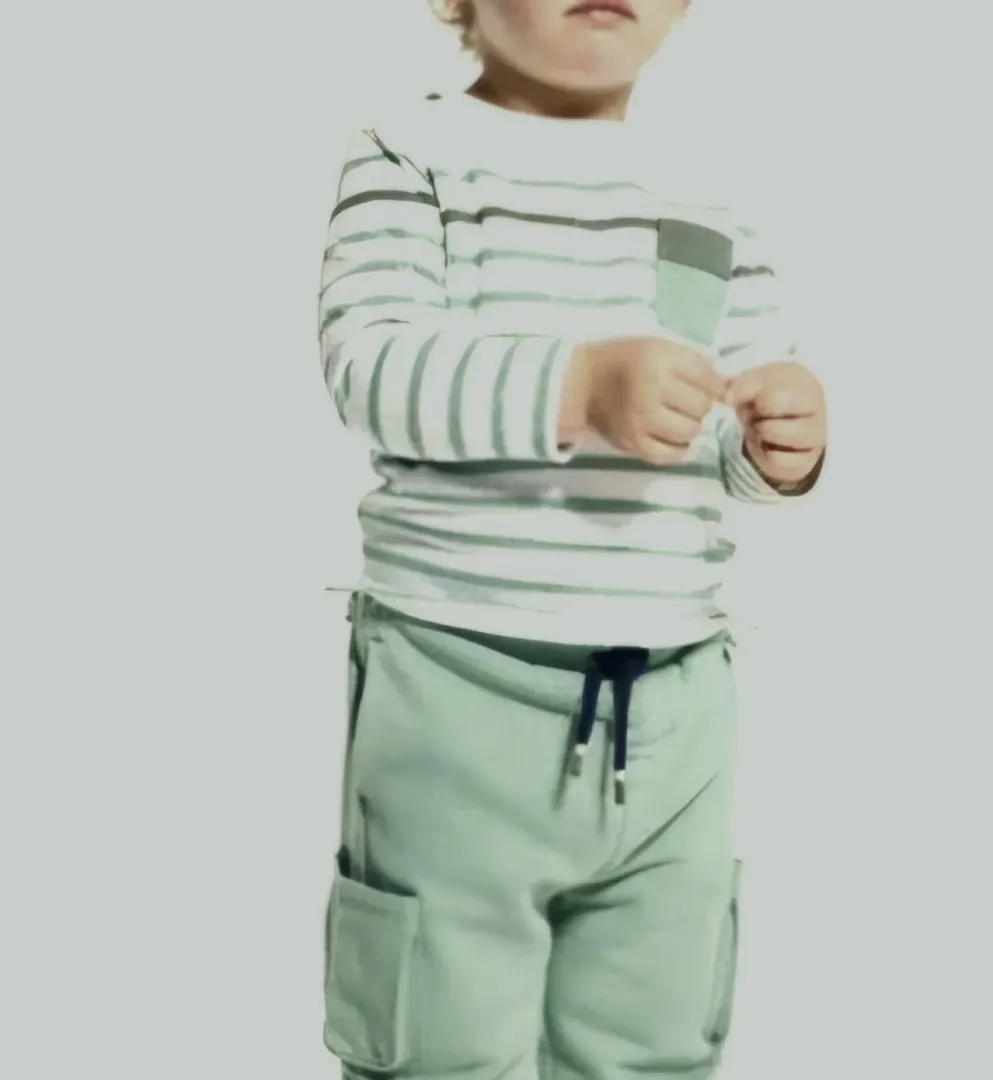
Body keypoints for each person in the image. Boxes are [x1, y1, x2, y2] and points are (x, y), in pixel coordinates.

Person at [317, 2, 827, 1077]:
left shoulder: (706, 187)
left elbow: (724, 428)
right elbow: (372, 369)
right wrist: (578, 384)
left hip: (675, 700)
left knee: (653, 1039)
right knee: (439, 1038)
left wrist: (780, 442)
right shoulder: (413, 154)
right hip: (460, 678)